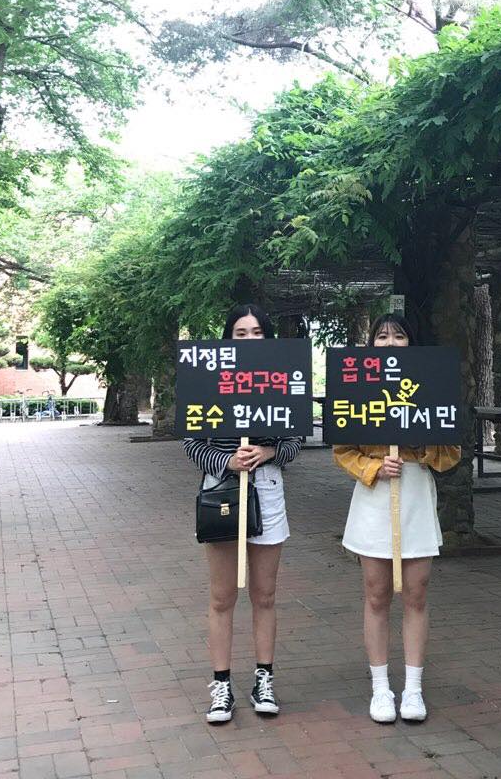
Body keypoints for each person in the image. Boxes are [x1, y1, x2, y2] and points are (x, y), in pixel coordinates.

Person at [333, 313, 460, 724]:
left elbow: (451, 452)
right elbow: (342, 449)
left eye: (399, 336)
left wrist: (422, 445)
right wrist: (373, 467)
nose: (390, 343)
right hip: (374, 497)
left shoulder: (433, 384)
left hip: (416, 492)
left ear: (412, 344)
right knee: (376, 593)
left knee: (416, 592)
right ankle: (380, 688)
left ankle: (414, 689)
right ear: (371, 345)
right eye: (382, 336)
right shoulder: (356, 387)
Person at [183, 303, 302, 724]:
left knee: (264, 595)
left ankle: (264, 679)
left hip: (267, 493)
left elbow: (294, 441)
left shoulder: (283, 380)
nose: (250, 339)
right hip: (220, 494)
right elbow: (192, 443)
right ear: (228, 339)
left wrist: (267, 452)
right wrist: (227, 461)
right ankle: (221, 684)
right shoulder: (207, 381)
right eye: (240, 333)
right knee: (222, 597)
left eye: (257, 333)